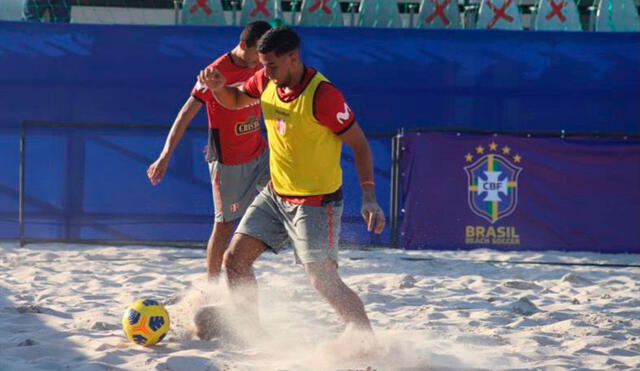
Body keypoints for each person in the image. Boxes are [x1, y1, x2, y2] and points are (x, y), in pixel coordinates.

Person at [198, 26, 385, 335]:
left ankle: (365, 339)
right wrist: (219, 87)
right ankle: (248, 331)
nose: (265, 71)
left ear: (293, 58)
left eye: (271, 64)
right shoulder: (265, 79)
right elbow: (233, 99)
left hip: (315, 203)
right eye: (262, 64)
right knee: (235, 260)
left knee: (322, 279)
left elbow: (360, 144)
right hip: (275, 195)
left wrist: (368, 197)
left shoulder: (324, 96)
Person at [147, 21, 272, 281]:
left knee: (291, 197)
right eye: (256, 55)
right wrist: (165, 155)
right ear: (243, 46)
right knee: (225, 225)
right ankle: (212, 285)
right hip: (229, 162)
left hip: (260, 153)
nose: (259, 62)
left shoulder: (264, 65)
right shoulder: (214, 73)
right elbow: (185, 114)